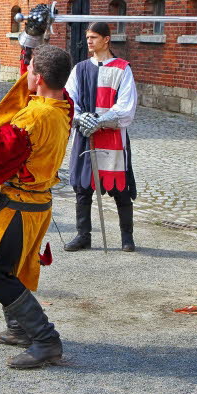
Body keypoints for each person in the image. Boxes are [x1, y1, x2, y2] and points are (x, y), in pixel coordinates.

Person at [0, 44, 73, 369]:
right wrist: (33, 44)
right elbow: (37, 91)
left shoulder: (34, 117)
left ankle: (45, 339)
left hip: (19, 206)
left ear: (36, 77)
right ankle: (18, 328)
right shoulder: (64, 106)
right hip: (37, 204)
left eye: (30, 71)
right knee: (10, 267)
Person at [64, 22, 137, 253]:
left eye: (94, 37)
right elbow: (69, 100)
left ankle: (127, 237)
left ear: (106, 39)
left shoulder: (123, 69)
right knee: (83, 188)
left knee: (121, 190)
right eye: (87, 37)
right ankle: (83, 235)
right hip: (86, 136)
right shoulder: (80, 69)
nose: (89, 41)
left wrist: (102, 120)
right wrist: (79, 118)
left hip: (113, 138)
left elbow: (127, 106)